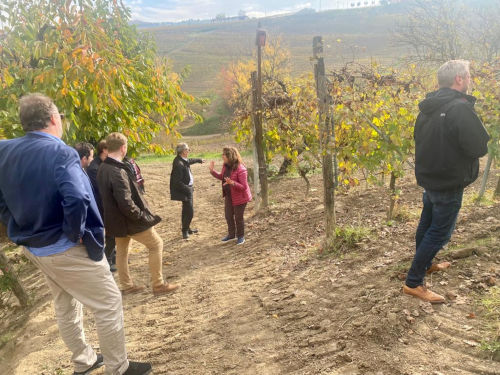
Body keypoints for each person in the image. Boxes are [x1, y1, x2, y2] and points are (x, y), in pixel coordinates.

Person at [0, 93, 152, 374]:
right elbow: (77, 199)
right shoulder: (61, 152)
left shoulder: (3, 150)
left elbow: (1, 200)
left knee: (65, 302)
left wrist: (19, 228)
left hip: (35, 247)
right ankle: (118, 368)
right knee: (108, 301)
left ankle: (84, 361)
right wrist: (74, 232)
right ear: (54, 119)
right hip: (64, 246)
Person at [404, 60, 490, 303]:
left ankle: (426, 265)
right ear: (459, 79)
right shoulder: (460, 108)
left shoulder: (427, 108)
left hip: (431, 178)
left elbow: (419, 139)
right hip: (449, 181)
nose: (470, 80)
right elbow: (478, 146)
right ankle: (413, 282)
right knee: (440, 233)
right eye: (469, 76)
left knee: (427, 224)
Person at [97, 132, 178, 296]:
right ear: (123, 148)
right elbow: (126, 203)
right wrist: (140, 216)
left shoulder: (103, 168)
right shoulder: (116, 171)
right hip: (128, 220)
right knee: (156, 244)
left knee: (122, 250)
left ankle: (127, 286)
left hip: (115, 221)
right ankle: (158, 284)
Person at [209, 146, 252, 245]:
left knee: (238, 217)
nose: (222, 156)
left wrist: (232, 183)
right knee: (228, 216)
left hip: (240, 197)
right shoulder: (226, 166)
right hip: (229, 195)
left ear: (229, 156)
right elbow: (222, 177)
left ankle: (240, 236)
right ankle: (231, 234)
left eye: (224, 154)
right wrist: (212, 171)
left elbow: (243, 187)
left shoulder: (241, 169)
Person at [87, 140, 117, 272]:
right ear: (104, 150)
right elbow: (101, 189)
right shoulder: (94, 168)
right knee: (110, 232)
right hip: (102, 205)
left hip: (108, 203)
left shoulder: (104, 163)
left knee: (113, 231)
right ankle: (108, 259)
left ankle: (114, 256)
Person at [169, 143, 203, 240]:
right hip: (185, 189)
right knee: (189, 211)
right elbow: (176, 182)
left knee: (186, 210)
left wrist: (199, 160)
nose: (189, 151)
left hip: (187, 188)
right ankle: (185, 231)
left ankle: (187, 229)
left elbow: (189, 161)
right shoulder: (178, 164)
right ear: (183, 151)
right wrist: (188, 189)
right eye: (188, 149)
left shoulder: (182, 160)